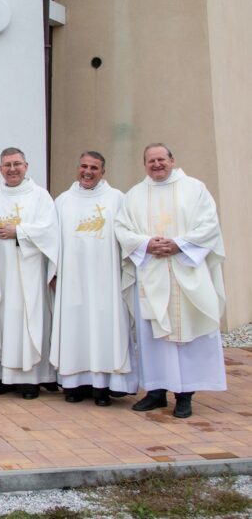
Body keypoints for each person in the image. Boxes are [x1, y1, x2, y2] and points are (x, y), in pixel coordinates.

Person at [115, 143, 226, 419]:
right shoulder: (135, 194)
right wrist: (146, 244)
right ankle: (156, 392)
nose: (156, 165)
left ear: (172, 160)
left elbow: (209, 225)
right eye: (151, 161)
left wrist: (179, 244)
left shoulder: (195, 189)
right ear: (144, 165)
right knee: (153, 337)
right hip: (151, 274)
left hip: (185, 270)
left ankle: (185, 395)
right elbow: (122, 228)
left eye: (161, 159)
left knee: (186, 334)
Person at [51, 152, 137, 406]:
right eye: (84, 166)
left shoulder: (117, 199)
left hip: (106, 279)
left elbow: (128, 235)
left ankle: (104, 386)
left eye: (94, 168)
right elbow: (51, 239)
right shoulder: (63, 201)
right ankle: (74, 384)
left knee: (105, 327)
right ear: (77, 168)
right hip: (72, 279)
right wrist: (52, 273)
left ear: (103, 172)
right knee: (74, 326)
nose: (87, 172)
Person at [0, 147, 59, 399]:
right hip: (1, 271)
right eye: (7, 165)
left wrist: (19, 231)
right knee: (2, 319)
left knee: (28, 320)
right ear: (0, 169)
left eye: (17, 164)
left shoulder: (40, 196)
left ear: (26, 166)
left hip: (29, 271)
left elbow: (49, 230)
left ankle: (30, 379)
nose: (12, 169)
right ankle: (3, 377)